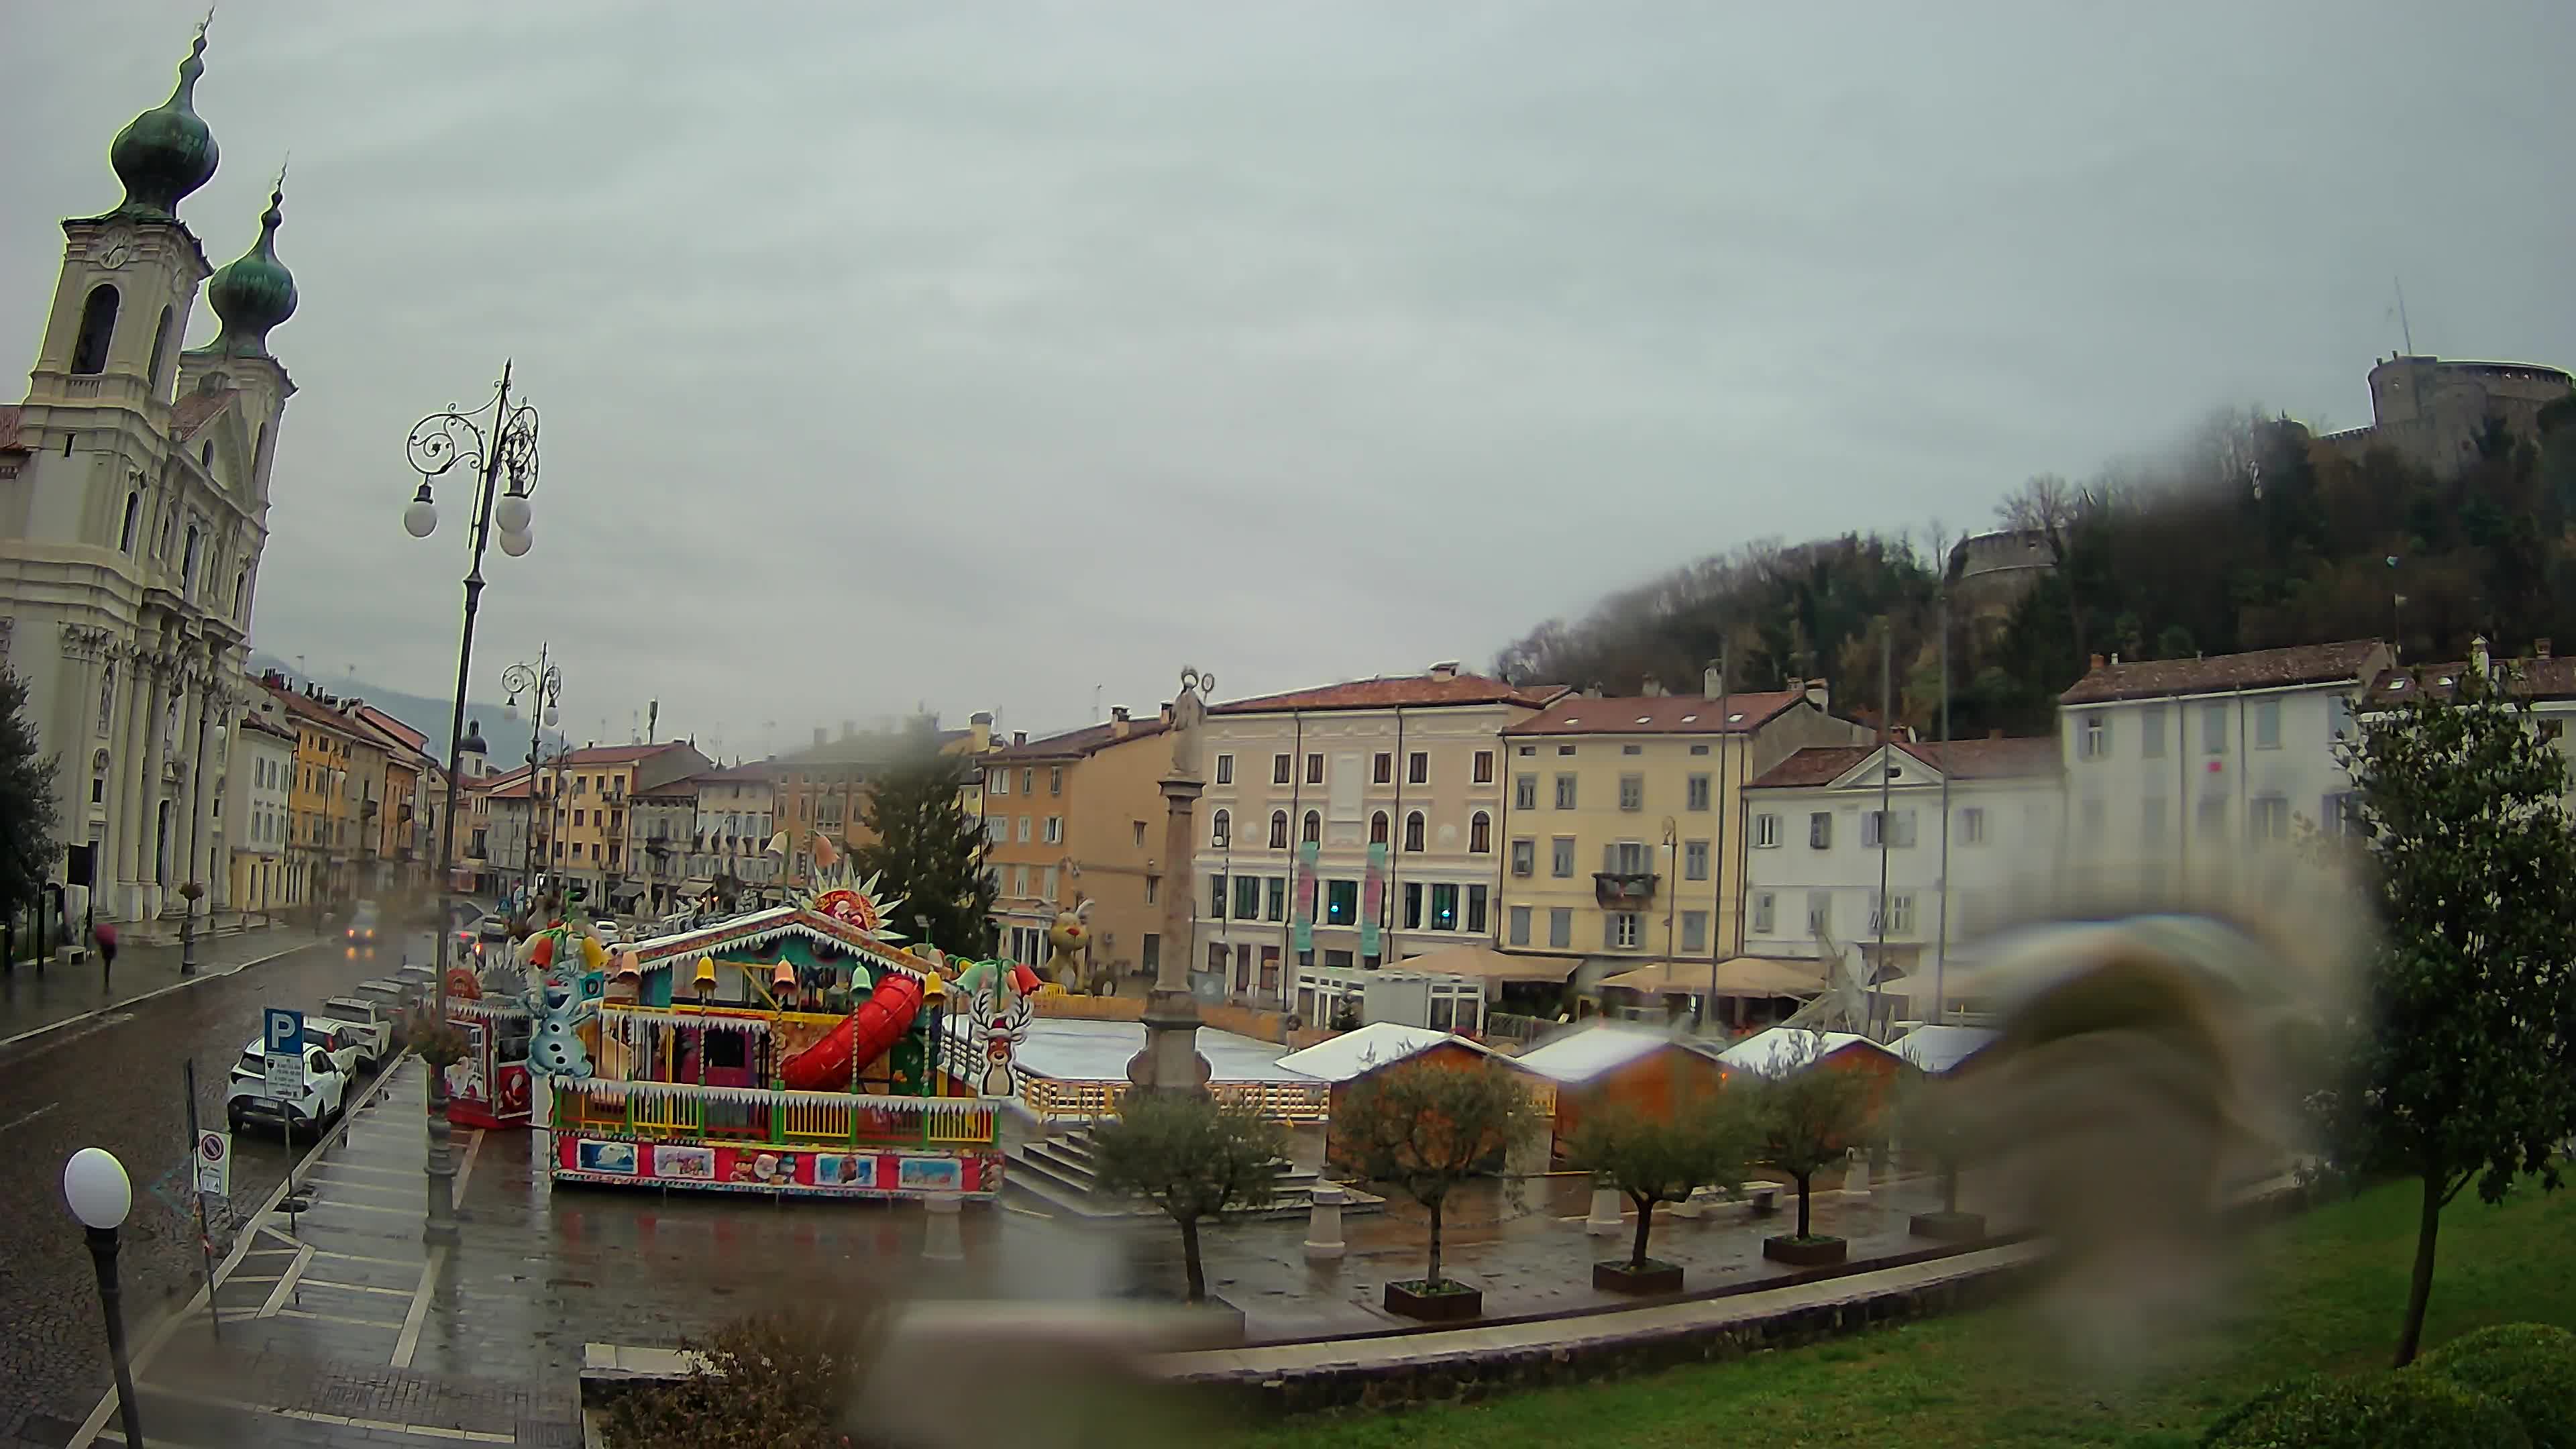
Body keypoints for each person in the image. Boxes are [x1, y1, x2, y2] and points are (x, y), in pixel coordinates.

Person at [93, 920, 117, 984]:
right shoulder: (109, 930)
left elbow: (97, 940)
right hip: (111, 946)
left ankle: (107, 980)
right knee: (108, 963)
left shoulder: (99, 932)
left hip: (105, 947)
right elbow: (114, 937)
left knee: (107, 963)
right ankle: (107, 979)